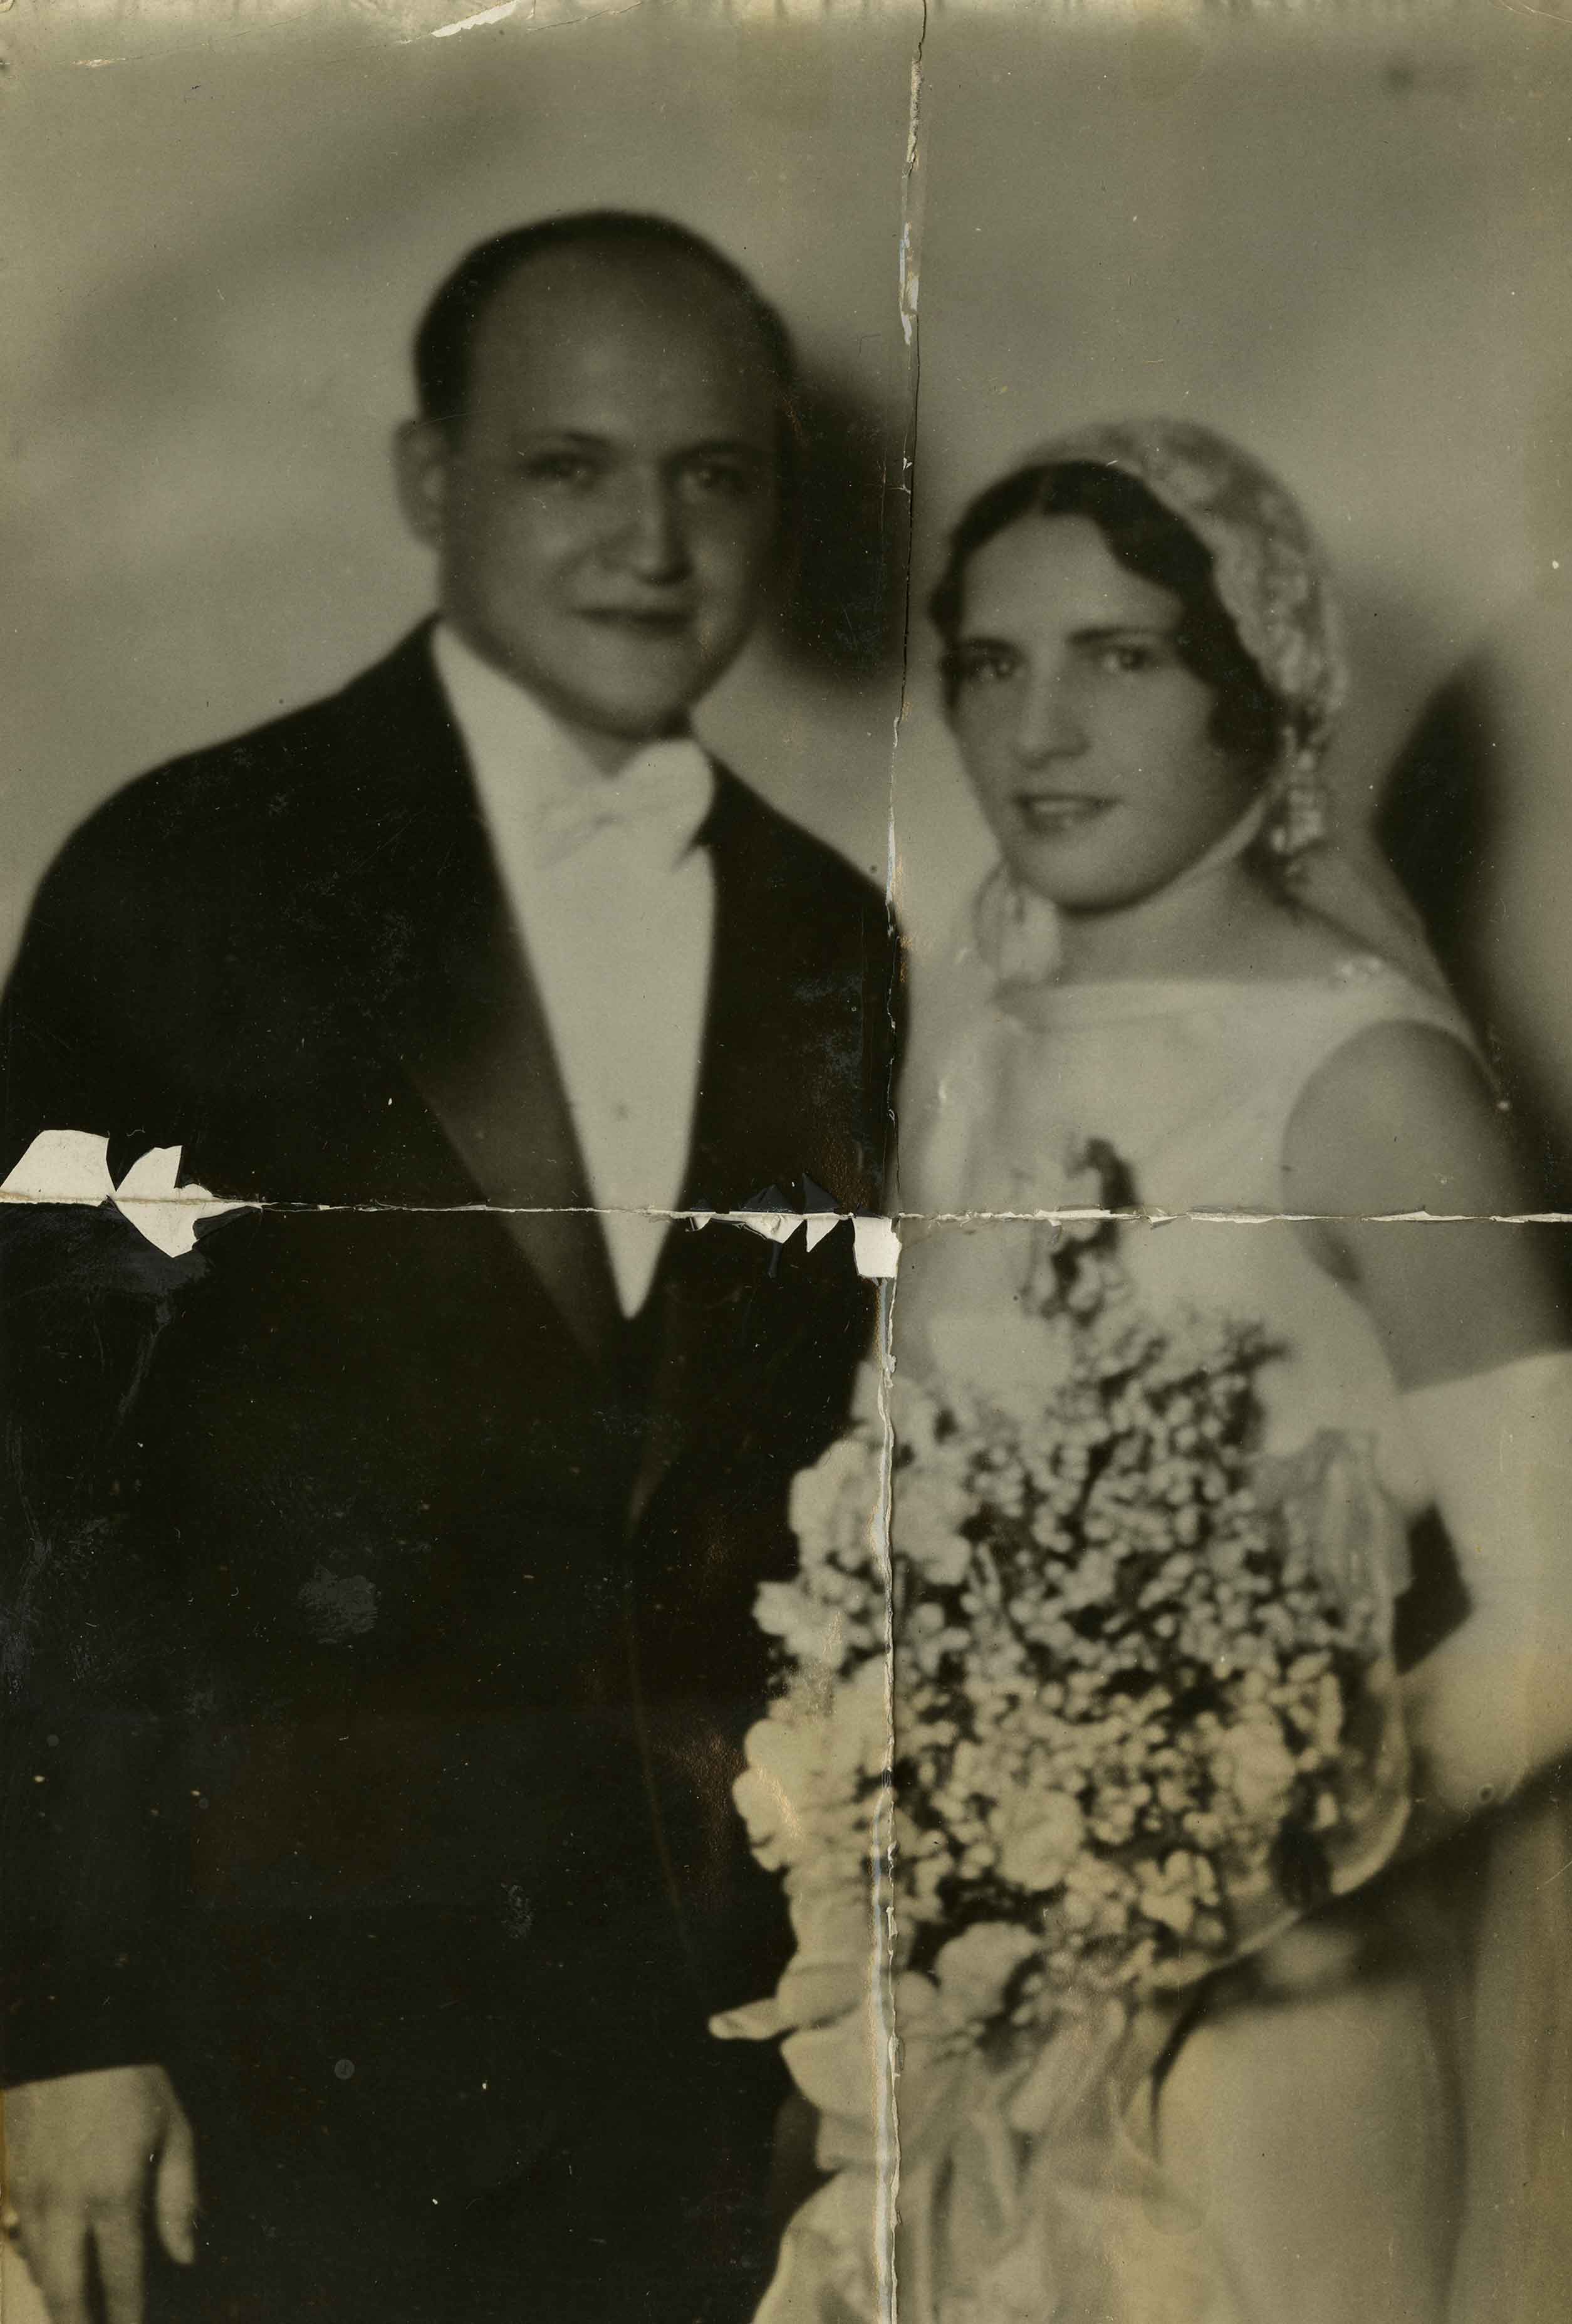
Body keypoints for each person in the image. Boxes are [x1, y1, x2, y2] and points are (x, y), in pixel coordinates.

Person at [0, 212, 896, 2324]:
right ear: (430, 480)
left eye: (716, 473)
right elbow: (34, 1483)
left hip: (698, 2069)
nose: (653, 541)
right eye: (570, 468)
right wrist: (59, 2018)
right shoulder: (185, 874)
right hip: (249, 2047)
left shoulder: (833, 937)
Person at [752, 419, 1572, 2320]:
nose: (1042, 732)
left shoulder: (1365, 1082)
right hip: (981, 2006)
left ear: (1265, 687)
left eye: (1121, 657)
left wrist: (1211, 1880)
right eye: (992, 663)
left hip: (1275, 2005)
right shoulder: (978, 1052)